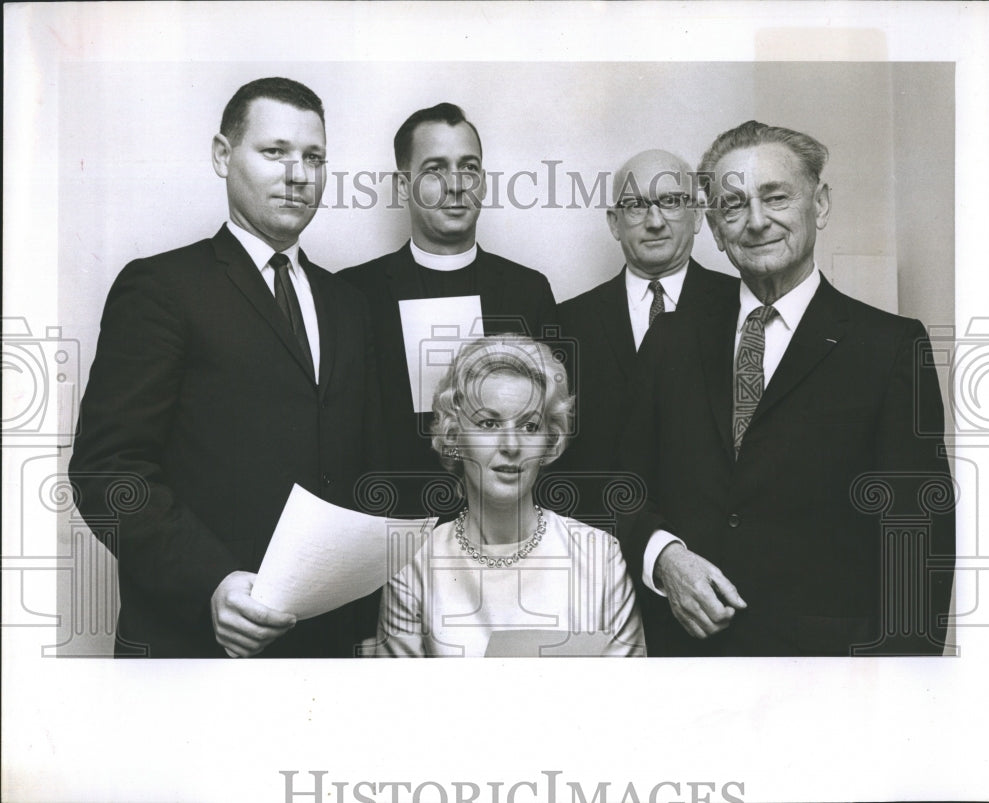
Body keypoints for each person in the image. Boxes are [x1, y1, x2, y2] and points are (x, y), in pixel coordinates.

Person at [69, 77, 382, 658]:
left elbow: (357, 473)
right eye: (274, 152)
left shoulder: (349, 305)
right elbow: (107, 473)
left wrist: (367, 621)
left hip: (327, 649)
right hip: (193, 640)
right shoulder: (161, 288)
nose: (299, 174)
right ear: (222, 155)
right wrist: (210, 582)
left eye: (314, 157)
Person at [617, 120, 955, 656]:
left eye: (775, 197)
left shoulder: (889, 347)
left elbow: (916, 539)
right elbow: (623, 484)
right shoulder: (670, 339)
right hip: (684, 665)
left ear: (818, 204)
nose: (755, 222)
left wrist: (904, 688)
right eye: (733, 205)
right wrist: (662, 555)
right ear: (714, 225)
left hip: (828, 673)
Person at [337, 104, 557, 516]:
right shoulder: (353, 292)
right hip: (387, 532)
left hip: (503, 534)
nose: (456, 185)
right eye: (436, 170)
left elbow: (550, 430)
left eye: (469, 167)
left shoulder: (528, 291)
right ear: (404, 186)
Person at [376, 336, 645, 657]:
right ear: (453, 437)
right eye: (489, 423)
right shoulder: (413, 566)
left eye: (529, 427)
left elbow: (629, 699)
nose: (511, 445)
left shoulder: (600, 558)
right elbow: (401, 703)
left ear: (550, 442)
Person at [558, 150, 737, 475]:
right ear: (615, 222)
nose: (655, 222)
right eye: (637, 205)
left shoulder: (742, 306)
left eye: (671, 201)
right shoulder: (567, 322)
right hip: (602, 520)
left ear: (697, 215)